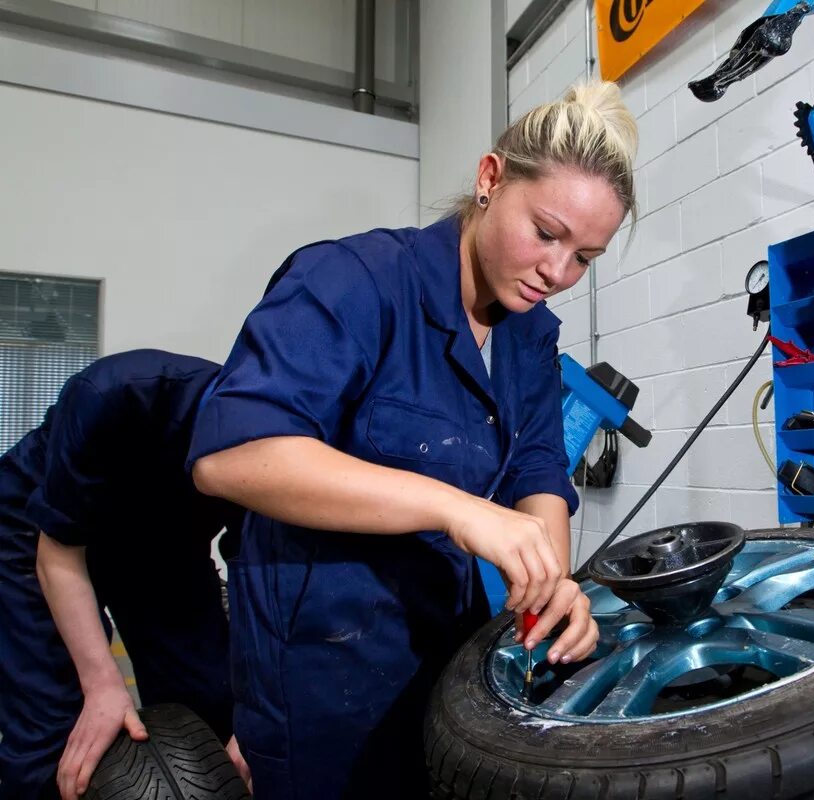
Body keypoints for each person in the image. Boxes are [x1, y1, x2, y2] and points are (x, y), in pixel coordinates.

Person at [186, 79, 638, 797]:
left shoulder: (531, 336)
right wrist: (456, 508)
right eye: (547, 233)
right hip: (319, 677)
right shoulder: (354, 281)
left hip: (446, 658)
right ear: (491, 179)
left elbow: (539, 472)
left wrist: (551, 587)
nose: (558, 272)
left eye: (585, 257)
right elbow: (232, 456)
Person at [0, 349, 243, 800]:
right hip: (34, 533)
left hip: (161, 545)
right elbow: (58, 555)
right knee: (57, 731)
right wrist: (101, 684)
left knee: (214, 700)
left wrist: (259, 713)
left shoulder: (283, 450)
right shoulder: (118, 391)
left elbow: (263, 589)